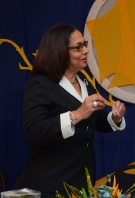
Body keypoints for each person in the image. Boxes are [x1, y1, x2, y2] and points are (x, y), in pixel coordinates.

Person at [14, 23, 126, 197]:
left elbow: (95, 121)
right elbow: (33, 131)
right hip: (51, 185)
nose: (86, 51)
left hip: (82, 183)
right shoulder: (40, 84)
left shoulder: (84, 83)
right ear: (59, 52)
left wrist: (115, 117)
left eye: (85, 45)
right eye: (78, 47)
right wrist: (78, 114)